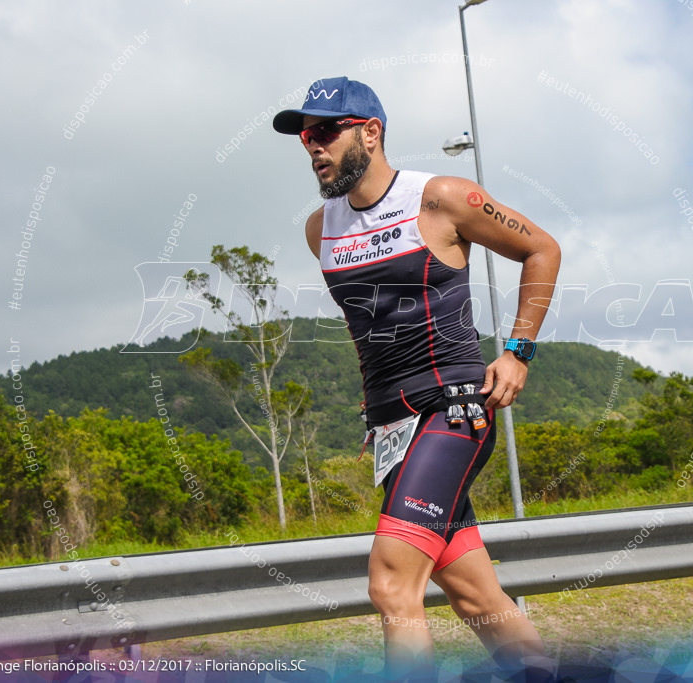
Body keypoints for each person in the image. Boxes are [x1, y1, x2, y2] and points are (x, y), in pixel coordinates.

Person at [273, 77, 561, 682]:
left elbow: (543, 250)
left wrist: (516, 352)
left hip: (454, 410)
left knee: (391, 584)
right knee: (475, 597)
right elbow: (376, 327)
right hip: (394, 425)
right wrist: (379, 416)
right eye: (305, 136)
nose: (313, 146)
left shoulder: (441, 197)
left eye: (326, 131)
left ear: (370, 132)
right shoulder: (317, 230)